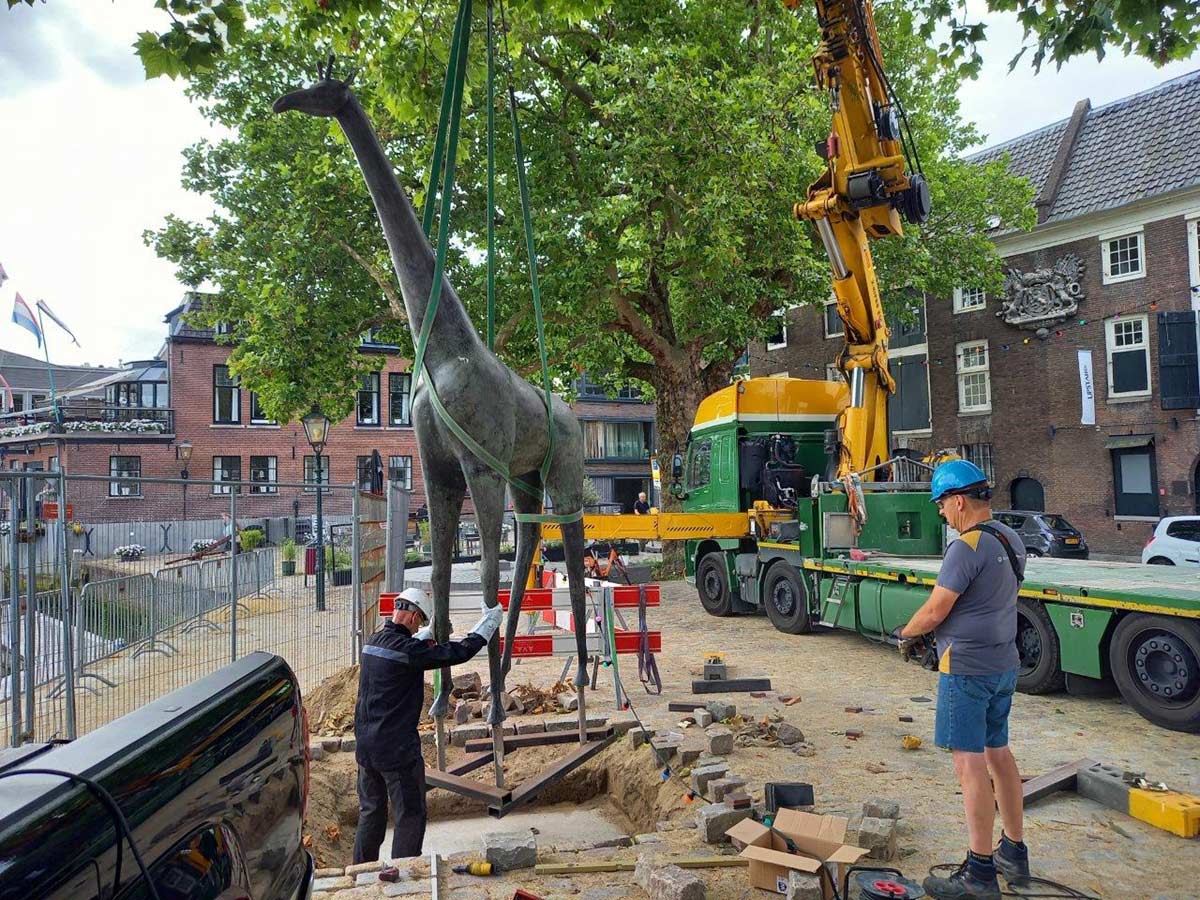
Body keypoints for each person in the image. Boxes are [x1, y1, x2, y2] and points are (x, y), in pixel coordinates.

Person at [896, 460, 1029, 900]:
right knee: (999, 753)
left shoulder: (964, 547)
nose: (941, 514)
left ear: (957, 500)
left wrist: (906, 633)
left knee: (969, 764)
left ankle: (979, 872)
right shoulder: (1010, 538)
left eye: (941, 505)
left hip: (967, 669)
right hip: (1003, 665)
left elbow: (936, 610)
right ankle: (1014, 850)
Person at [352, 586, 502, 863]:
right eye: (420, 621)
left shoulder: (373, 642)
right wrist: (486, 627)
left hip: (365, 748)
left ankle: (361, 875)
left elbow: (405, 650)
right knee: (410, 813)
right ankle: (405, 872)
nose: (419, 626)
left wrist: (424, 636)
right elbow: (456, 653)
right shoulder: (408, 651)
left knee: (371, 812)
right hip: (396, 751)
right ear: (412, 617)